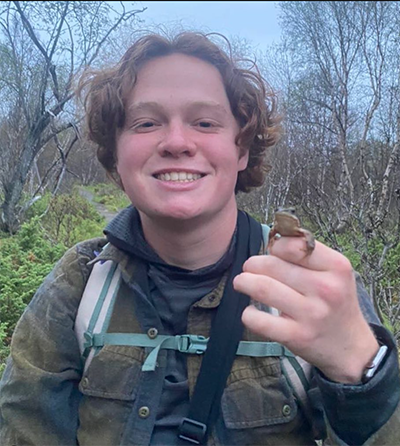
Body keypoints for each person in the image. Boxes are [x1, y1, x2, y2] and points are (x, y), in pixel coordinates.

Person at [0, 31, 399, 446]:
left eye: (205, 122)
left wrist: (364, 377)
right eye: (146, 123)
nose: (176, 142)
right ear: (115, 155)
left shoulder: (309, 284)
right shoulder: (78, 283)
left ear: (241, 149)